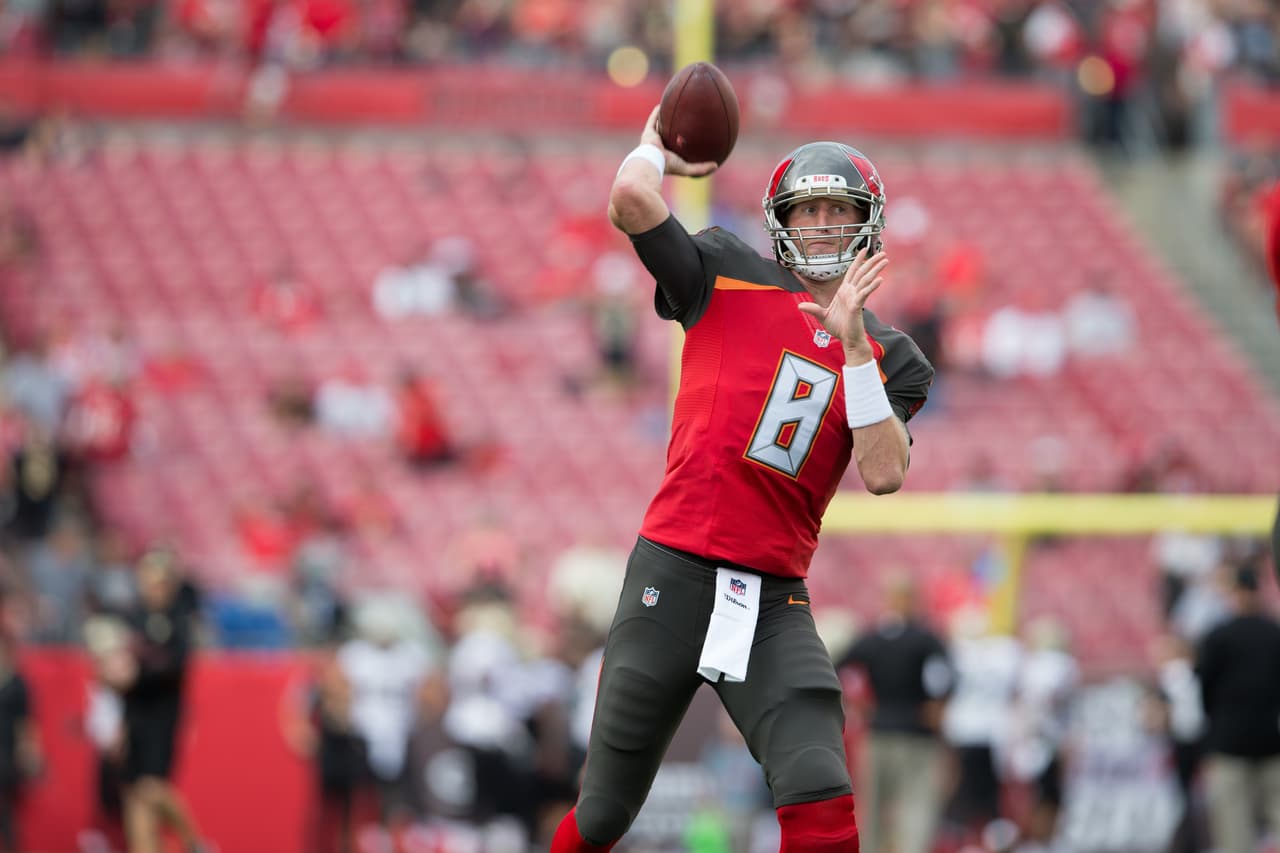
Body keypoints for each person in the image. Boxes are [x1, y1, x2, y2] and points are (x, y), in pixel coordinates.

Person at [550, 105, 934, 852]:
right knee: (602, 814)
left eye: (839, 209)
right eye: (808, 209)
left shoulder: (892, 353)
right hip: (671, 572)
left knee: (825, 806)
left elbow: (885, 472)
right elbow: (629, 201)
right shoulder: (726, 269)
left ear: (867, 222)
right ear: (781, 219)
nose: (822, 223)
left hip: (771, 599)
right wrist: (654, 149)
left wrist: (855, 348)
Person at [837, 574, 954, 853]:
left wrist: (856, 704)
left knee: (875, 808)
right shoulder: (926, 639)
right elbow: (949, 676)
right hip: (915, 733)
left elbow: (838, 667)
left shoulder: (874, 638)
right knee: (915, 806)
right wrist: (938, 705)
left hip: (880, 731)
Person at [1194, 561, 1280, 853]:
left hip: (1228, 743)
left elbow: (1203, 689)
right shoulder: (1274, 633)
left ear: (1237, 592)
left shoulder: (1219, 636)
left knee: (1234, 835)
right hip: (1272, 739)